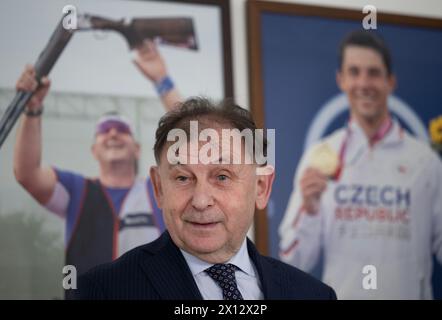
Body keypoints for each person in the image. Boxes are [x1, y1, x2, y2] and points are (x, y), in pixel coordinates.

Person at [74, 97, 337, 300]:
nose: (200, 201)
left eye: (222, 177)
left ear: (260, 187)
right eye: (182, 178)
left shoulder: (313, 295)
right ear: (158, 188)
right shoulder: (104, 291)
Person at [278, 30, 442, 299]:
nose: (364, 83)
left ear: (391, 81)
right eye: (354, 72)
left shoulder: (425, 161)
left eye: (374, 73)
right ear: (341, 80)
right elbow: (292, 262)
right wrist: (308, 209)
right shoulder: (320, 157)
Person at [13, 40, 181, 277]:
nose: (113, 133)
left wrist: (162, 80)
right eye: (105, 129)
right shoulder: (76, 190)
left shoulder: (159, 190)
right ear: (94, 150)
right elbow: (26, 173)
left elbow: (191, 141)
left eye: (122, 129)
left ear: (137, 149)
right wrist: (32, 108)